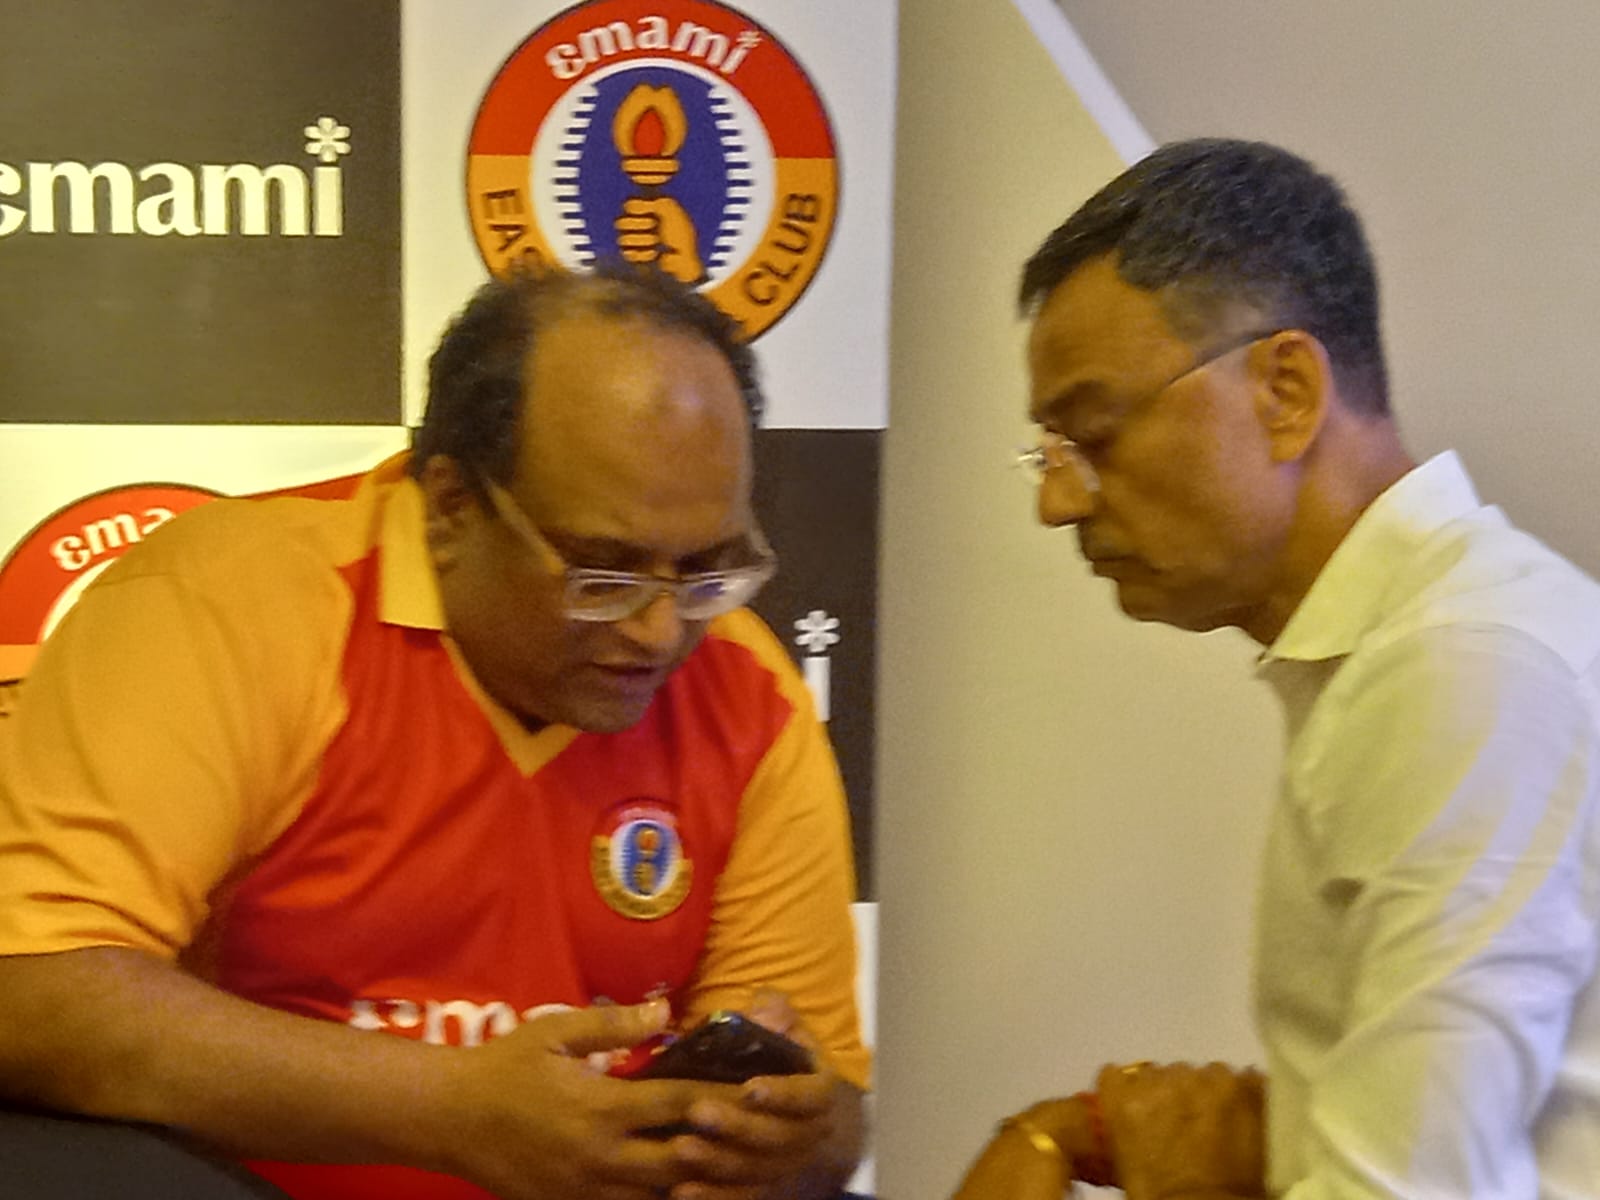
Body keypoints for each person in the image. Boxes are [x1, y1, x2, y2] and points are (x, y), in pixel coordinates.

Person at [0, 261, 870, 1200]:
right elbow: (35, 990)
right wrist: (447, 1109)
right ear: (452, 506)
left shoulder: (748, 690)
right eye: (602, 572)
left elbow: (832, 1109)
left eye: (705, 570)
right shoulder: (228, 605)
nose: (661, 631)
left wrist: (786, 1136)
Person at [953, 138, 1600, 1199]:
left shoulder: (1463, 675)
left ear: (1286, 390)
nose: (1057, 502)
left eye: (1095, 435)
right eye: (1049, 451)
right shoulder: (1421, 657)